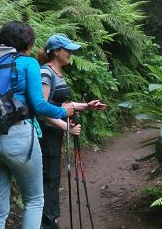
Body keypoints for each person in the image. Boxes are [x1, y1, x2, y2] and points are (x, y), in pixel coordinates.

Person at [0, 21, 76, 229]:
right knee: (34, 201)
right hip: (19, 136)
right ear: (29, 43)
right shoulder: (28, 63)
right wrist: (63, 112)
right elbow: (39, 105)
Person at [37, 34, 107, 229]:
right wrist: (66, 127)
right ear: (56, 51)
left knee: (53, 178)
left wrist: (87, 106)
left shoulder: (57, 73)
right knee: (48, 179)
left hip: (54, 135)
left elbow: (60, 105)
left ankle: (51, 221)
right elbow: (41, 109)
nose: (71, 53)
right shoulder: (46, 73)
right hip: (46, 135)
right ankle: (47, 223)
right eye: (67, 50)